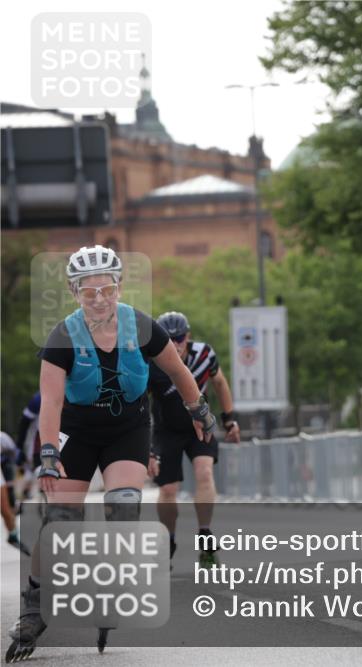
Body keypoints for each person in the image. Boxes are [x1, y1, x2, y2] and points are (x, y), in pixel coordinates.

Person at [6, 245, 216, 662]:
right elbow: (49, 403)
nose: (99, 299)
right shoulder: (61, 337)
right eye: (89, 292)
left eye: (107, 289)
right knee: (61, 517)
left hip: (128, 429)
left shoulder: (141, 325)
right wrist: (49, 452)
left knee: (123, 507)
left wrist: (201, 412)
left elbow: (179, 371)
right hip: (76, 430)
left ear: (119, 287)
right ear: (73, 292)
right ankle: (36, 604)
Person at [148, 311, 241, 569]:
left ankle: (204, 534)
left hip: (199, 426)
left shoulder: (204, 354)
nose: (175, 345)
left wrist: (229, 419)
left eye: (180, 339)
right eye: (169, 340)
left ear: (188, 337)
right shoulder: (152, 363)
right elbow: (140, 403)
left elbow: (220, 383)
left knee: (204, 474)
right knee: (168, 490)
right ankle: (169, 540)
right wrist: (148, 448)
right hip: (166, 430)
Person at [0, 431, 27, 554]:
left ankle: (13, 535)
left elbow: (14, 452)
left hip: (3, 471)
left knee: (6, 509)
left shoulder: (2, 437)